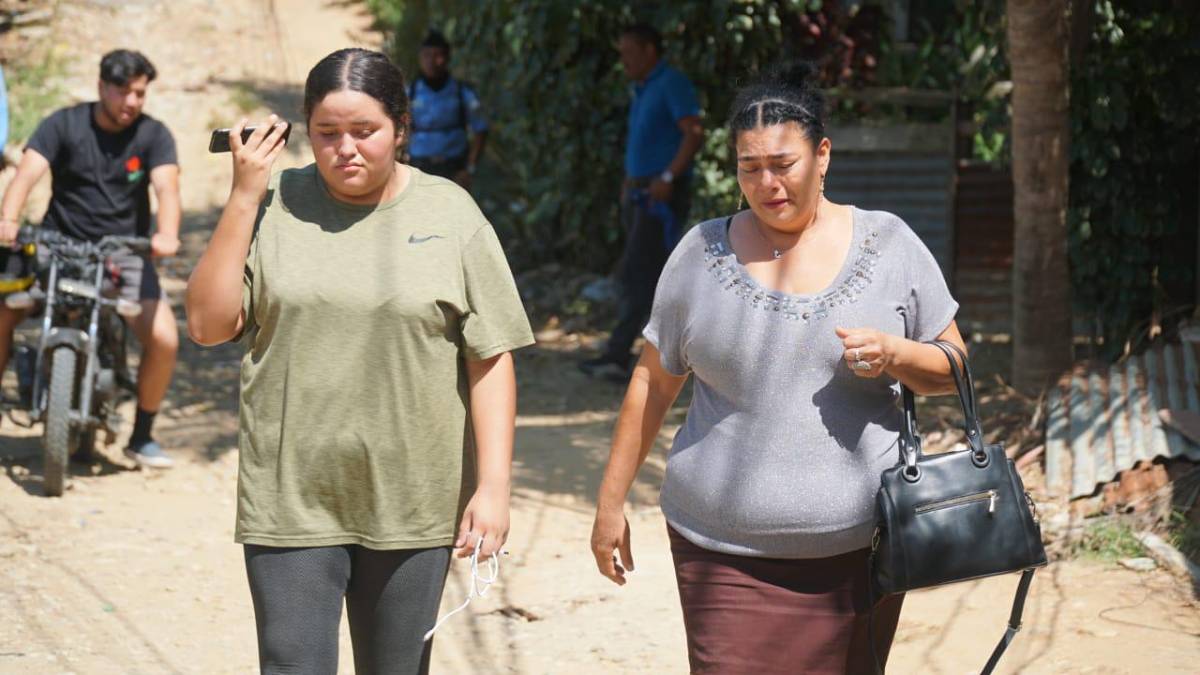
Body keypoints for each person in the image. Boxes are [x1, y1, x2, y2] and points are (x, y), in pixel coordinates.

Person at [589, 61, 968, 674]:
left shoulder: (890, 244)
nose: (767, 184)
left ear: (822, 155)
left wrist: (895, 355)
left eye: (782, 164)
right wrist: (610, 504)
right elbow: (651, 383)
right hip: (719, 553)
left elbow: (952, 363)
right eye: (749, 167)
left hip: (861, 555)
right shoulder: (697, 254)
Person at [185, 48, 533, 673]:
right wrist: (243, 195)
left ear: (401, 128)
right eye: (327, 134)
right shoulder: (273, 204)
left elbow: (491, 357)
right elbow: (209, 325)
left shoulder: (451, 213)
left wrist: (494, 486)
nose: (346, 148)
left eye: (365, 131)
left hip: (414, 501)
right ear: (304, 132)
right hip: (290, 497)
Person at [0, 49, 181, 468]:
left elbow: (167, 189)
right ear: (102, 86)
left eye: (139, 93)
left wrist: (167, 235)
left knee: (165, 338)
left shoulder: (154, 135)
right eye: (123, 91)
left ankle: (142, 436)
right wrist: (9, 219)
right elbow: (27, 173)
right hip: (55, 244)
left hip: (123, 253)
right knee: (5, 312)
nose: (132, 102)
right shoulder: (64, 124)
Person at [579, 23, 704, 382]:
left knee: (637, 272)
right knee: (651, 274)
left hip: (658, 196)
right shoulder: (642, 88)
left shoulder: (671, 83)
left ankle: (618, 355)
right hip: (639, 193)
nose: (624, 61)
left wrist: (667, 178)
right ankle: (668, 355)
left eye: (629, 53)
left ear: (650, 50)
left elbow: (693, 132)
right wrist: (628, 182)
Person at [407, 29, 488, 190]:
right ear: (420, 58)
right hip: (419, 168)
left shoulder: (462, 92)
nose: (431, 61)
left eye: (438, 55)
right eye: (426, 55)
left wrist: (469, 169)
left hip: (455, 169)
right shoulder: (410, 92)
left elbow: (481, 130)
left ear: (447, 58)